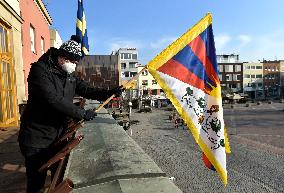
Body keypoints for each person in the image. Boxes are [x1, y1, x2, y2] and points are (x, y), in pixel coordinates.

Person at [18, 35, 123, 193]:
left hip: (57, 136)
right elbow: (53, 99)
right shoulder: (39, 70)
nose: (74, 65)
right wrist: (81, 112)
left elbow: (86, 88)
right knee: (36, 183)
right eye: (73, 62)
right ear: (62, 58)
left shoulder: (69, 74)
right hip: (36, 138)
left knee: (56, 177)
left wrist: (109, 92)